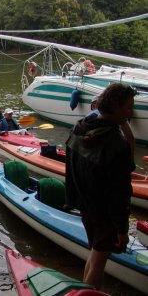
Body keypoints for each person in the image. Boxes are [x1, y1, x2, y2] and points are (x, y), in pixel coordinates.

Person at [65, 83, 137, 289]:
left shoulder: (79, 128)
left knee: (95, 254)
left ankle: (84, 290)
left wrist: (72, 201)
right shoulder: (115, 143)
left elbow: (70, 170)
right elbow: (121, 192)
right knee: (98, 262)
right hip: (104, 211)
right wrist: (122, 230)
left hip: (85, 205)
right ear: (115, 107)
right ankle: (89, 294)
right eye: (128, 107)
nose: (130, 112)